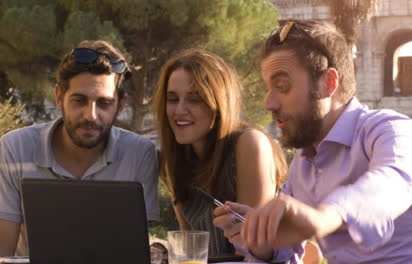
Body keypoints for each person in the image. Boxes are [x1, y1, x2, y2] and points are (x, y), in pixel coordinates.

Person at [215, 20, 412, 263]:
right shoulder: (303, 163)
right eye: (268, 88)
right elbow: (286, 255)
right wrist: (260, 239)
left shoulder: (390, 129)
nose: (269, 103)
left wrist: (322, 217)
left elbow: (394, 183)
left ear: (328, 83)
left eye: (282, 86)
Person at [0, 40, 160, 264]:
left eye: (104, 103)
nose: (91, 115)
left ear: (121, 105)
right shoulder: (16, 147)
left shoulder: (140, 153)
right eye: (79, 100)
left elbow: (132, 254)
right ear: (59, 97)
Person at [153, 48, 287, 257]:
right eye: (172, 99)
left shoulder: (250, 144)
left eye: (194, 99)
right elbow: (189, 249)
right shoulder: (175, 159)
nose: (179, 110)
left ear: (218, 104)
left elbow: (252, 252)